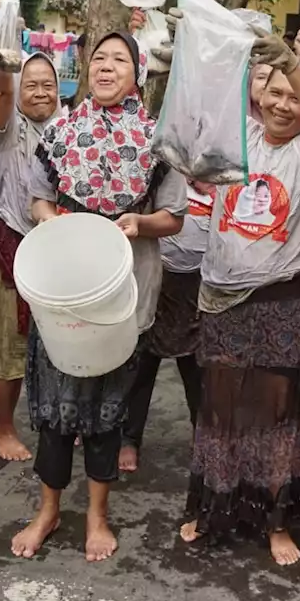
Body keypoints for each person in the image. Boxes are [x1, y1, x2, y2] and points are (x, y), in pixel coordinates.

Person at [12, 30, 186, 564]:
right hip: (63, 287)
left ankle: (97, 517)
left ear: (138, 73)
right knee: (53, 410)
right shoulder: (63, 130)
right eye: (99, 59)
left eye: (119, 59)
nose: (106, 67)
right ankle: (46, 511)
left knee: (106, 413)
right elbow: (37, 203)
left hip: (120, 291)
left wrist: (138, 222)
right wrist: (60, 221)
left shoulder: (157, 139)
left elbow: (173, 217)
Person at [180, 30, 300, 567]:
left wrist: (289, 60)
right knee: (220, 405)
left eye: (294, 95)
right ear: (258, 95)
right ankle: (212, 505)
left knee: (277, 411)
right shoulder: (236, 137)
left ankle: (275, 520)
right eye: (274, 92)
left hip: (284, 300)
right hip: (221, 295)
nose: (284, 104)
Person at [0, 45, 62, 462]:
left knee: (61, 342)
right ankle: (4, 427)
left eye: (48, 84)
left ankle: (59, 418)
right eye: (31, 84)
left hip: (57, 249)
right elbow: (1, 93)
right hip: (9, 243)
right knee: (10, 347)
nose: (40, 92)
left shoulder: (70, 128)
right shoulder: (6, 127)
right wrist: (4, 63)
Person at [120, 179, 212, 471]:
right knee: (141, 365)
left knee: (196, 367)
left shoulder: (224, 174)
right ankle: (128, 439)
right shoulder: (162, 170)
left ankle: (203, 434)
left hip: (200, 282)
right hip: (157, 276)